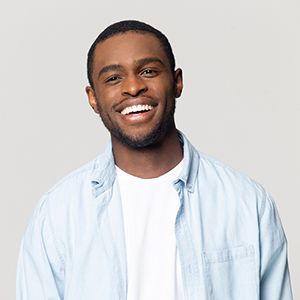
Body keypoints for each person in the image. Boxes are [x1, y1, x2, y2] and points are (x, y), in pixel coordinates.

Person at [16, 20, 293, 299]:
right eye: (113, 78)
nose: (134, 87)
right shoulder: (57, 215)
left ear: (177, 82)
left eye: (148, 71)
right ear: (93, 98)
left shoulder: (247, 203)